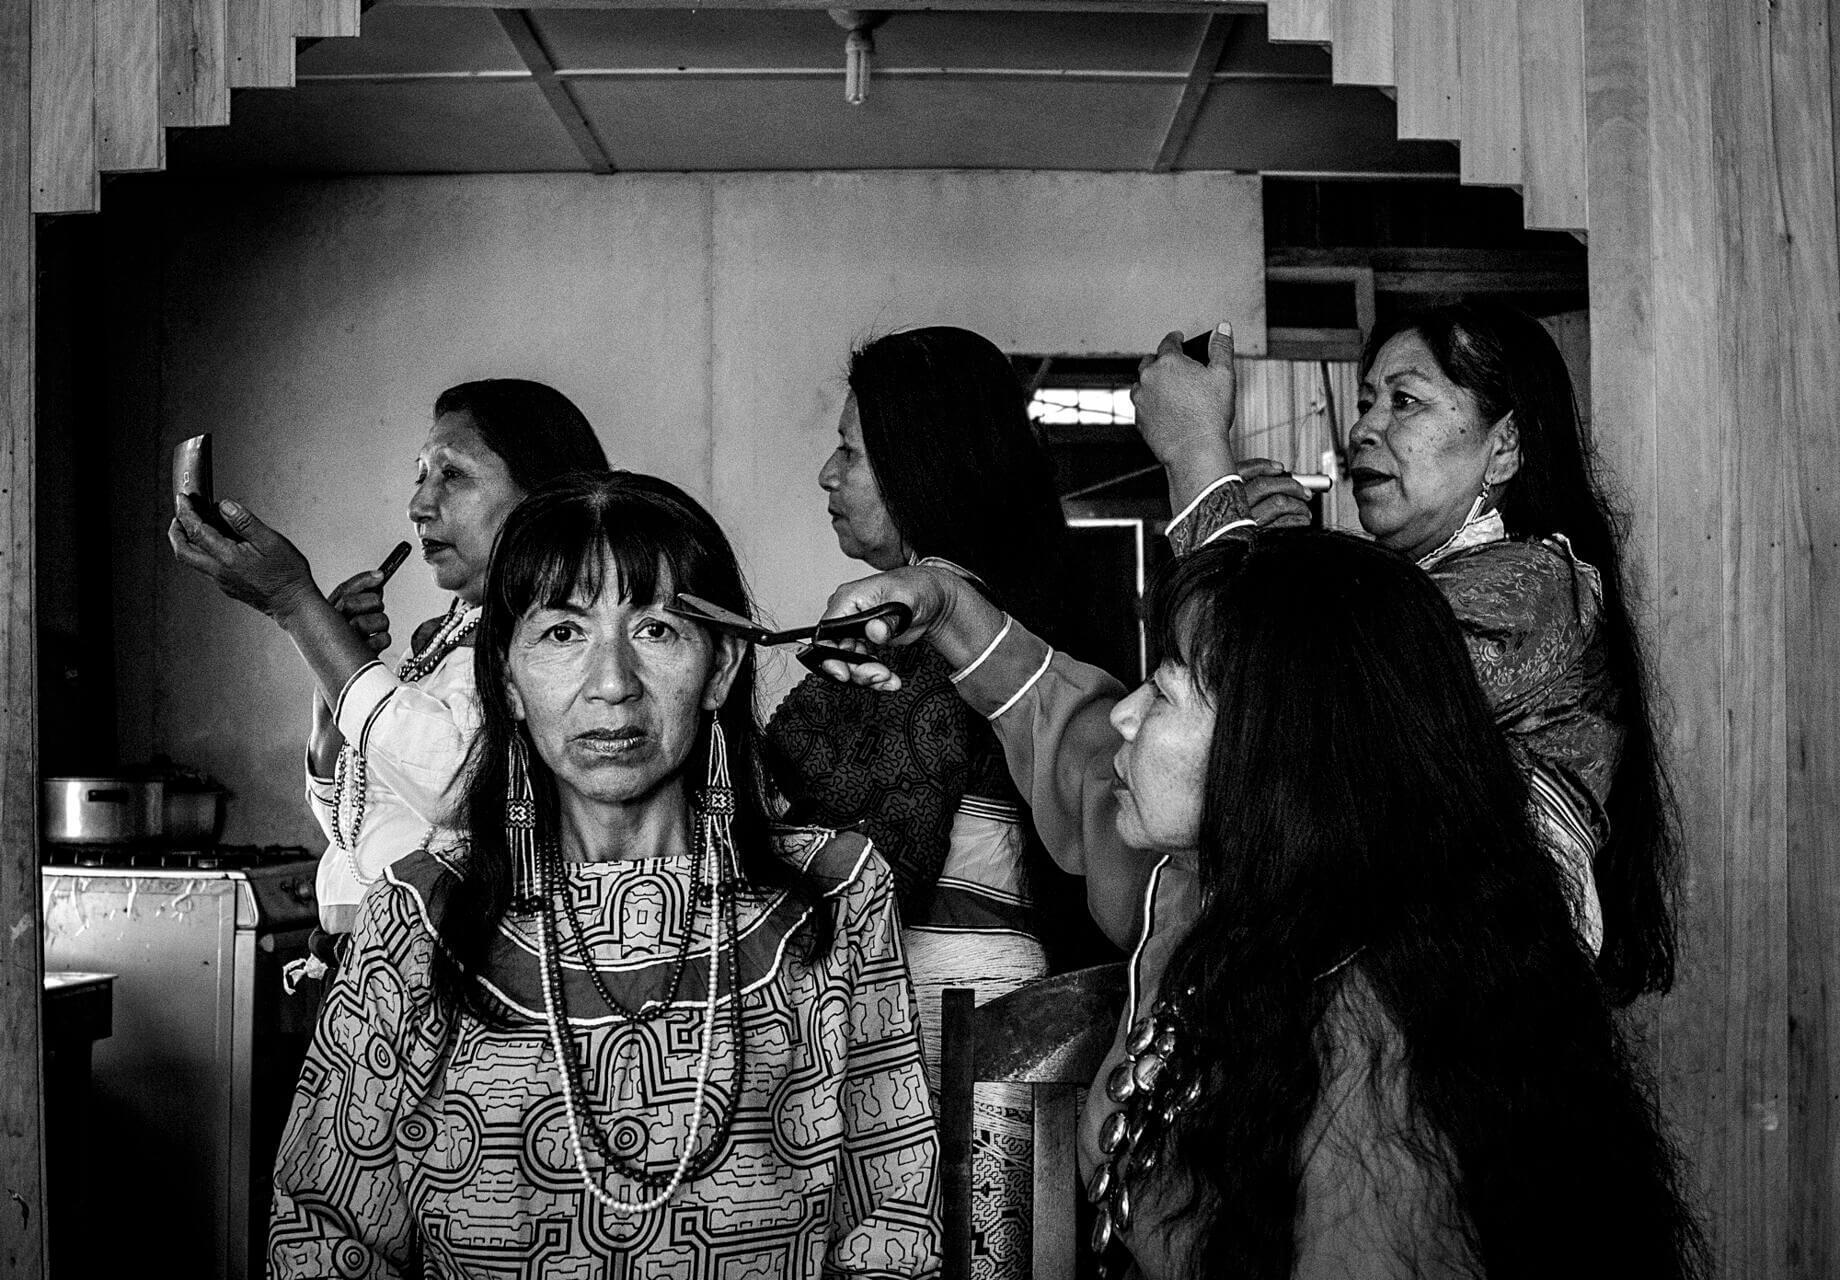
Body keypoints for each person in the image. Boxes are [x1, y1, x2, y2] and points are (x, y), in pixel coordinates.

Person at [820, 531, 1705, 1279]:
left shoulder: (1373, 1045)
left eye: (1164, 691)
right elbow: (1074, 734)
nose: (1125, 716)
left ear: (1273, 753)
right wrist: (941, 607)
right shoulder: (1193, 888)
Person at [267, 472, 940, 1278]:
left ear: (721, 668)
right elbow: (326, 1238)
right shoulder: (418, 918)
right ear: (508, 681)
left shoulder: (834, 896)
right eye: (561, 634)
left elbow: (891, 1228)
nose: (613, 684)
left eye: (657, 629)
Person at [1127, 307, 1679, 1002]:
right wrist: (1266, 566)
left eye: (1406, 402)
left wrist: (1197, 460)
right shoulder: (1420, 591)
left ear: (1504, 445)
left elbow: (1277, 704)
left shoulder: (1531, 591)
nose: (1364, 428)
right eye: (1365, 403)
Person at [765, 326, 1093, 1278]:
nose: (828, 473)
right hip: (1007, 1013)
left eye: (852, 451)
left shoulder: (928, 628)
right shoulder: (1003, 621)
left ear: (919, 467)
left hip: (956, 1027)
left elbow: (884, 862)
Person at [170, 379, 610, 948]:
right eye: (421, 475)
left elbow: (459, 788)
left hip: (446, 969)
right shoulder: (443, 638)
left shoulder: (559, 637)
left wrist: (298, 608)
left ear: (543, 496)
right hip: (368, 965)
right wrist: (332, 699)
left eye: (452, 475)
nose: (419, 506)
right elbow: (350, 826)